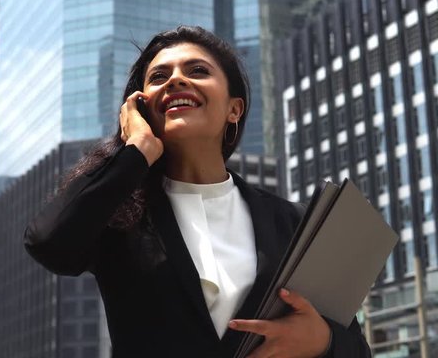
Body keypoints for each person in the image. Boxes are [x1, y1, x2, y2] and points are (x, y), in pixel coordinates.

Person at [24, 26, 370, 357]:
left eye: (198, 70)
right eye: (159, 77)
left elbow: (356, 348)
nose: (175, 79)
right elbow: (48, 243)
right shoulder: (119, 218)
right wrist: (137, 151)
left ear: (234, 109)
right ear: (142, 110)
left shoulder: (295, 222)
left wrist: (323, 341)